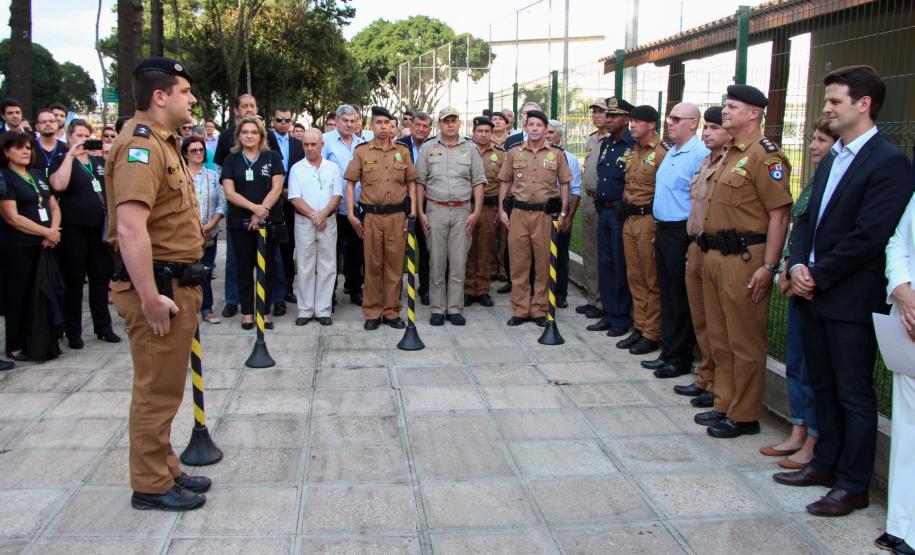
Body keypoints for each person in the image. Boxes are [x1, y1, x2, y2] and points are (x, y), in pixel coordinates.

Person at [776, 65, 914, 516]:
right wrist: (797, 263)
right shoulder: (834, 156)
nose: (826, 109)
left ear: (863, 104)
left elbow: (870, 234)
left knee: (854, 393)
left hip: (850, 298)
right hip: (812, 289)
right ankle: (826, 463)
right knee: (824, 384)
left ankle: (853, 484)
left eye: (835, 101)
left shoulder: (890, 163)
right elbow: (807, 218)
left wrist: (817, 273)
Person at [106, 57, 211, 511]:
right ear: (160, 96)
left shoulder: (166, 144)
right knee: (155, 389)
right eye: (185, 91)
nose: (191, 99)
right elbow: (131, 228)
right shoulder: (141, 147)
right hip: (159, 288)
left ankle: (164, 467)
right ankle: (149, 485)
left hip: (176, 283)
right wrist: (150, 297)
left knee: (166, 387)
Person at [693, 84, 792, 440]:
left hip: (746, 259)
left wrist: (769, 266)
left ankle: (745, 414)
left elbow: (779, 215)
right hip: (716, 254)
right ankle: (724, 402)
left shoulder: (764, 157)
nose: (726, 112)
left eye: (733, 107)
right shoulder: (730, 154)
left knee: (744, 340)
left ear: (754, 113)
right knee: (720, 336)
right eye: (726, 105)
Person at [761, 118, 838, 468]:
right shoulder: (815, 180)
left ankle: (814, 439)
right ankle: (798, 429)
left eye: (821, 140)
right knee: (796, 362)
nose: (813, 146)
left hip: (823, 285)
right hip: (799, 277)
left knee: (816, 368)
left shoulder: (841, 180)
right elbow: (800, 227)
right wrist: (790, 267)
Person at [649, 102, 710, 378]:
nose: (669, 123)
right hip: (663, 229)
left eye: (676, 119)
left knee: (680, 296)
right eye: (669, 118)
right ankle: (669, 350)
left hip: (680, 232)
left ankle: (680, 357)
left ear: (693, 123)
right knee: (668, 293)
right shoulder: (672, 152)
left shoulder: (699, 153)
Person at [48, 119, 120, 348]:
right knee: (75, 281)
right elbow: (58, 185)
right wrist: (71, 155)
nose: (82, 139)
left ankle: (103, 327)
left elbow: (114, 181)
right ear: (69, 136)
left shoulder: (98, 161)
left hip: (98, 230)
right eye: (78, 135)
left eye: (86, 135)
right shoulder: (61, 160)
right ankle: (74, 331)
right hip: (73, 230)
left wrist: (109, 156)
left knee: (100, 280)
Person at [343, 106, 416, 331]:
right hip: (372, 217)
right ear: (370, 125)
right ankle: (373, 311)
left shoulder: (402, 151)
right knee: (373, 265)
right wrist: (352, 214)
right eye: (378, 122)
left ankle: (392, 311)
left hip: (396, 216)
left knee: (394, 266)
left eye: (387, 122)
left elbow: (411, 182)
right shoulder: (362, 151)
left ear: (392, 125)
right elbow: (350, 182)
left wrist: (411, 212)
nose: (383, 126)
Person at [675, 106, 729, 409]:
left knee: (719, 323)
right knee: (701, 317)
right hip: (696, 244)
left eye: (714, 127)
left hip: (719, 248)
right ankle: (706, 376)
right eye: (706, 127)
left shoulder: (731, 162)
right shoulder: (707, 161)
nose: (707, 132)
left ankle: (720, 385)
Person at [605, 105, 668, 357]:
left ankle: (652, 332)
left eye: (638, 122)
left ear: (652, 125)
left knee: (650, 278)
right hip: (629, 219)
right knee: (635, 276)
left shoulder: (662, 153)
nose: (633, 125)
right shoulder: (634, 151)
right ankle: (640, 327)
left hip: (648, 220)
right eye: (631, 121)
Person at [498, 109, 571, 327]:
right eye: (531, 125)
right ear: (525, 127)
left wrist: (564, 212)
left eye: (539, 125)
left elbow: (565, 184)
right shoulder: (514, 151)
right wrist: (502, 210)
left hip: (545, 215)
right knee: (519, 263)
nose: (535, 129)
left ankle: (539, 309)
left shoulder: (557, 154)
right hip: (519, 213)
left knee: (543, 263)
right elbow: (505, 181)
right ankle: (520, 309)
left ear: (546, 129)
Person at [415, 107, 485, 326]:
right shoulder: (428, 148)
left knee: (458, 261)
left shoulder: (470, 148)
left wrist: (476, 212)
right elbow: (419, 183)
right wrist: (420, 212)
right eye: (446, 121)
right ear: (439, 124)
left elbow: (478, 182)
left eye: (454, 120)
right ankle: (437, 308)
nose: (450, 124)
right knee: (436, 261)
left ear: (459, 123)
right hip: (435, 210)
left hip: (463, 210)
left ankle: (454, 308)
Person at [0, 131, 61, 361]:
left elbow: (53, 206)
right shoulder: (4, 176)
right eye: (19, 147)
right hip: (18, 247)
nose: (26, 151)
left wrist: (54, 231)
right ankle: (14, 345)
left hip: (44, 245)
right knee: (18, 295)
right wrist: (47, 232)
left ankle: (40, 339)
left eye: (28, 147)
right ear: (6, 151)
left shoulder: (37, 175)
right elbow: (11, 217)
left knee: (41, 293)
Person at [221, 116, 285, 331]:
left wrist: (262, 212)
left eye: (254, 132)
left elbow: (276, 188)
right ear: (238, 136)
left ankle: (264, 312)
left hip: (267, 222)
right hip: (240, 223)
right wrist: (254, 209)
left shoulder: (272, 157)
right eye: (245, 132)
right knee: (244, 268)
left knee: (267, 268)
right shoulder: (231, 159)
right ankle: (248, 312)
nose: (249, 136)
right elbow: (229, 192)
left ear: (261, 136)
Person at [878, 191, 915, 555]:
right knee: (907, 427)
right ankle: (902, 524)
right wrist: (902, 289)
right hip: (908, 318)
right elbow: (899, 242)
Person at [592, 97, 636, 337]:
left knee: (620, 266)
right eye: (607, 115)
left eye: (614, 116)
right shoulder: (607, 144)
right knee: (605, 265)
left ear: (627, 119)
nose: (608, 120)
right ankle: (608, 314)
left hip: (621, 215)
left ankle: (621, 317)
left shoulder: (633, 146)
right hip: (604, 212)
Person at [288, 128, 341, 326]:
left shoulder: (332, 168)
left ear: (322, 145)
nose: (310, 148)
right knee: (304, 265)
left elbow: (337, 194)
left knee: (328, 265)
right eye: (306, 144)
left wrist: (323, 214)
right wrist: (314, 215)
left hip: (328, 221)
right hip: (304, 222)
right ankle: (305, 309)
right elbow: (294, 197)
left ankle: (323, 310)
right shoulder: (296, 168)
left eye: (313, 144)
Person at [323, 104, 368, 306]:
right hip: (333, 207)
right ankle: (329, 292)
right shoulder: (326, 142)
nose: (350, 125)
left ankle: (354, 287)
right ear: (338, 120)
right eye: (346, 121)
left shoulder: (362, 143)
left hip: (359, 206)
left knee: (356, 251)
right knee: (331, 251)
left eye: (353, 121)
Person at [182, 137, 225, 324]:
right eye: (194, 150)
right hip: (184, 233)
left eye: (201, 150)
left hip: (208, 232)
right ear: (185, 153)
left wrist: (213, 223)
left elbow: (222, 204)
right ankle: (186, 310)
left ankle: (206, 308)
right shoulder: (179, 175)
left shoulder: (213, 175)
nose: (199, 153)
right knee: (184, 273)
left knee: (205, 271)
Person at [268, 106, 306, 315]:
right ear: (273, 120)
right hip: (270, 201)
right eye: (279, 119)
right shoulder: (264, 141)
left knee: (289, 246)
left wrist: (289, 192)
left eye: (287, 120)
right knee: (274, 252)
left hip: (292, 202)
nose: (283, 123)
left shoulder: (297, 144)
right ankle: (275, 293)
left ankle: (288, 289)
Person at [464, 116, 504, 308]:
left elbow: (506, 183)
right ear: (473, 132)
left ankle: (483, 289)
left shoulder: (500, 154)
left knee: (486, 248)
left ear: (492, 133)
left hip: (490, 208)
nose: (483, 134)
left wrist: (501, 208)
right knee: (468, 248)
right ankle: (469, 288)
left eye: (487, 131)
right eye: (480, 131)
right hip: (468, 207)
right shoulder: (464, 151)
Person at [576, 99, 610, 319]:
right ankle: (593, 298)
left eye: (601, 112)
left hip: (604, 202)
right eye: (594, 112)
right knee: (589, 253)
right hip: (588, 200)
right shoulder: (592, 140)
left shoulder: (615, 142)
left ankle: (605, 302)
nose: (597, 116)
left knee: (603, 254)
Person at [396, 112, 434, 305]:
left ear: (430, 129)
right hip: (403, 204)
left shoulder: (434, 146)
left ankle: (425, 288)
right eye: (417, 125)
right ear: (411, 126)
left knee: (426, 249)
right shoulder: (399, 145)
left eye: (425, 126)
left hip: (429, 205)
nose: (421, 129)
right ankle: (395, 291)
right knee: (399, 248)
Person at [547, 119, 581, 308]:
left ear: (560, 135)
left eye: (552, 132)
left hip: (560, 211)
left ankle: (560, 294)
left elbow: (575, 191)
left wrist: (568, 216)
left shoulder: (570, 158)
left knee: (560, 256)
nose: (548, 136)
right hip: (540, 213)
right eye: (547, 132)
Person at [33, 107, 69, 178]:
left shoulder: (66, 148)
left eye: (51, 121)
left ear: (57, 124)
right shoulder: (29, 147)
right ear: (36, 126)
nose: (48, 124)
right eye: (43, 122)